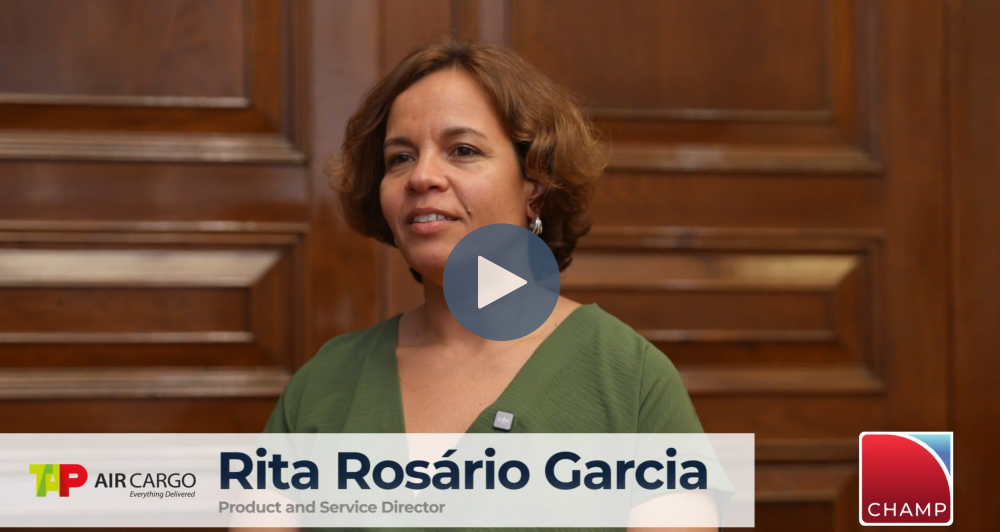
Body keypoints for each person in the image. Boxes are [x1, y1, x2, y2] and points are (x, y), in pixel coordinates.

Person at [249, 39, 711, 532]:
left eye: (463, 150)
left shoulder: (626, 378)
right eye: (400, 158)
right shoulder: (325, 384)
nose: (422, 176)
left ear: (535, 184)